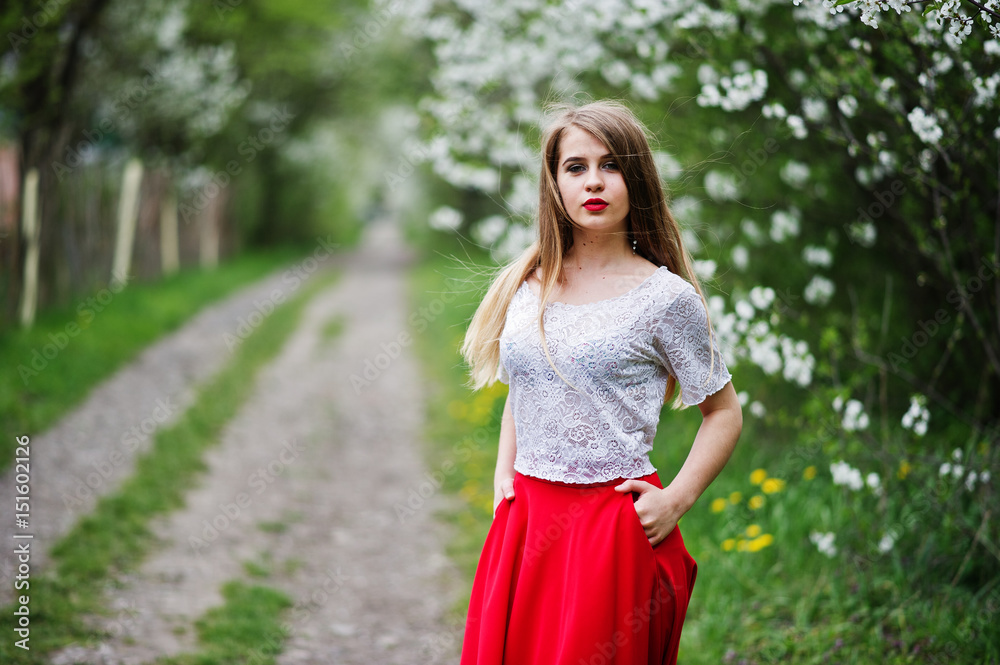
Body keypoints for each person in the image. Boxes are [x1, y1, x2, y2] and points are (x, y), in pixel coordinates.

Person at [458, 100, 743, 665]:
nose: (594, 181)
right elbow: (527, 385)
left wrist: (676, 500)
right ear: (554, 183)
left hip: (611, 531)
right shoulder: (528, 283)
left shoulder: (665, 299)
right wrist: (501, 477)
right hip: (526, 525)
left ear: (636, 178)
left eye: (612, 165)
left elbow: (724, 413)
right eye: (576, 167)